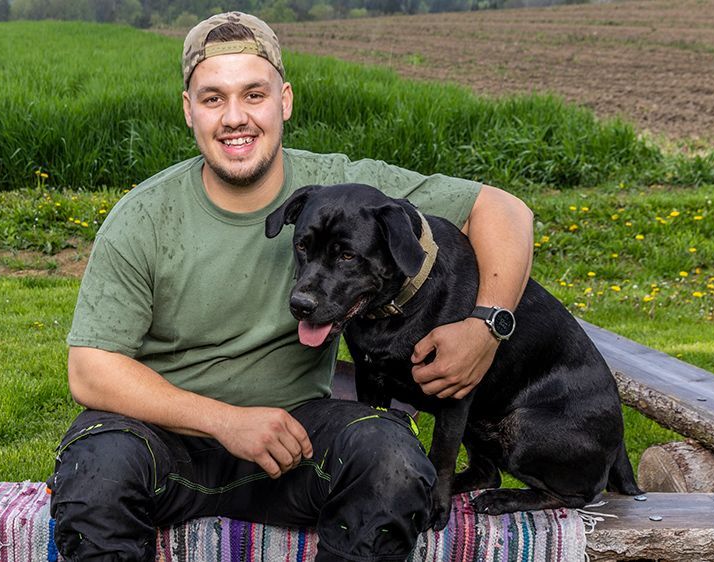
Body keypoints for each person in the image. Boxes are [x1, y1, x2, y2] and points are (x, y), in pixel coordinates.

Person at [48, 11, 534, 562]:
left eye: (253, 95)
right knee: (94, 472)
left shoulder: (341, 191)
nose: (235, 118)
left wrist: (487, 325)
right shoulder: (144, 217)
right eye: (213, 99)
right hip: (164, 437)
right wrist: (226, 421)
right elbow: (90, 368)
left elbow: (502, 208)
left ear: (285, 101)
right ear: (189, 111)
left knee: (395, 463)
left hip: (297, 439)